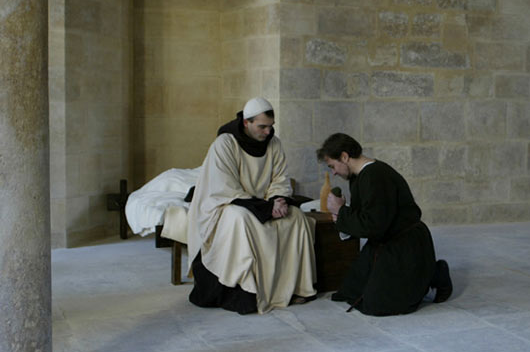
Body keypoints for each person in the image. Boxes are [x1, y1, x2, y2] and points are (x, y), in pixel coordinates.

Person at [186, 97, 317, 315]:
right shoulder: (225, 144)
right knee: (241, 218)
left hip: (263, 203)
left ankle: (296, 288)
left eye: (270, 127)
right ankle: (250, 292)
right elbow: (224, 187)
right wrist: (265, 208)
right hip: (225, 204)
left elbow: (280, 178)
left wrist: (278, 199)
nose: (267, 132)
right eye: (262, 127)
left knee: (296, 218)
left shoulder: (274, 143)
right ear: (246, 123)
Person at [316, 133, 452, 316]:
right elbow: (366, 217)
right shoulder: (358, 177)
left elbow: (374, 226)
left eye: (333, 166)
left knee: (378, 304)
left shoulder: (375, 176)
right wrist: (342, 215)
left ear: (344, 157)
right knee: (350, 291)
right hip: (385, 241)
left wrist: (342, 212)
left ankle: (433, 274)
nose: (333, 172)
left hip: (405, 244)